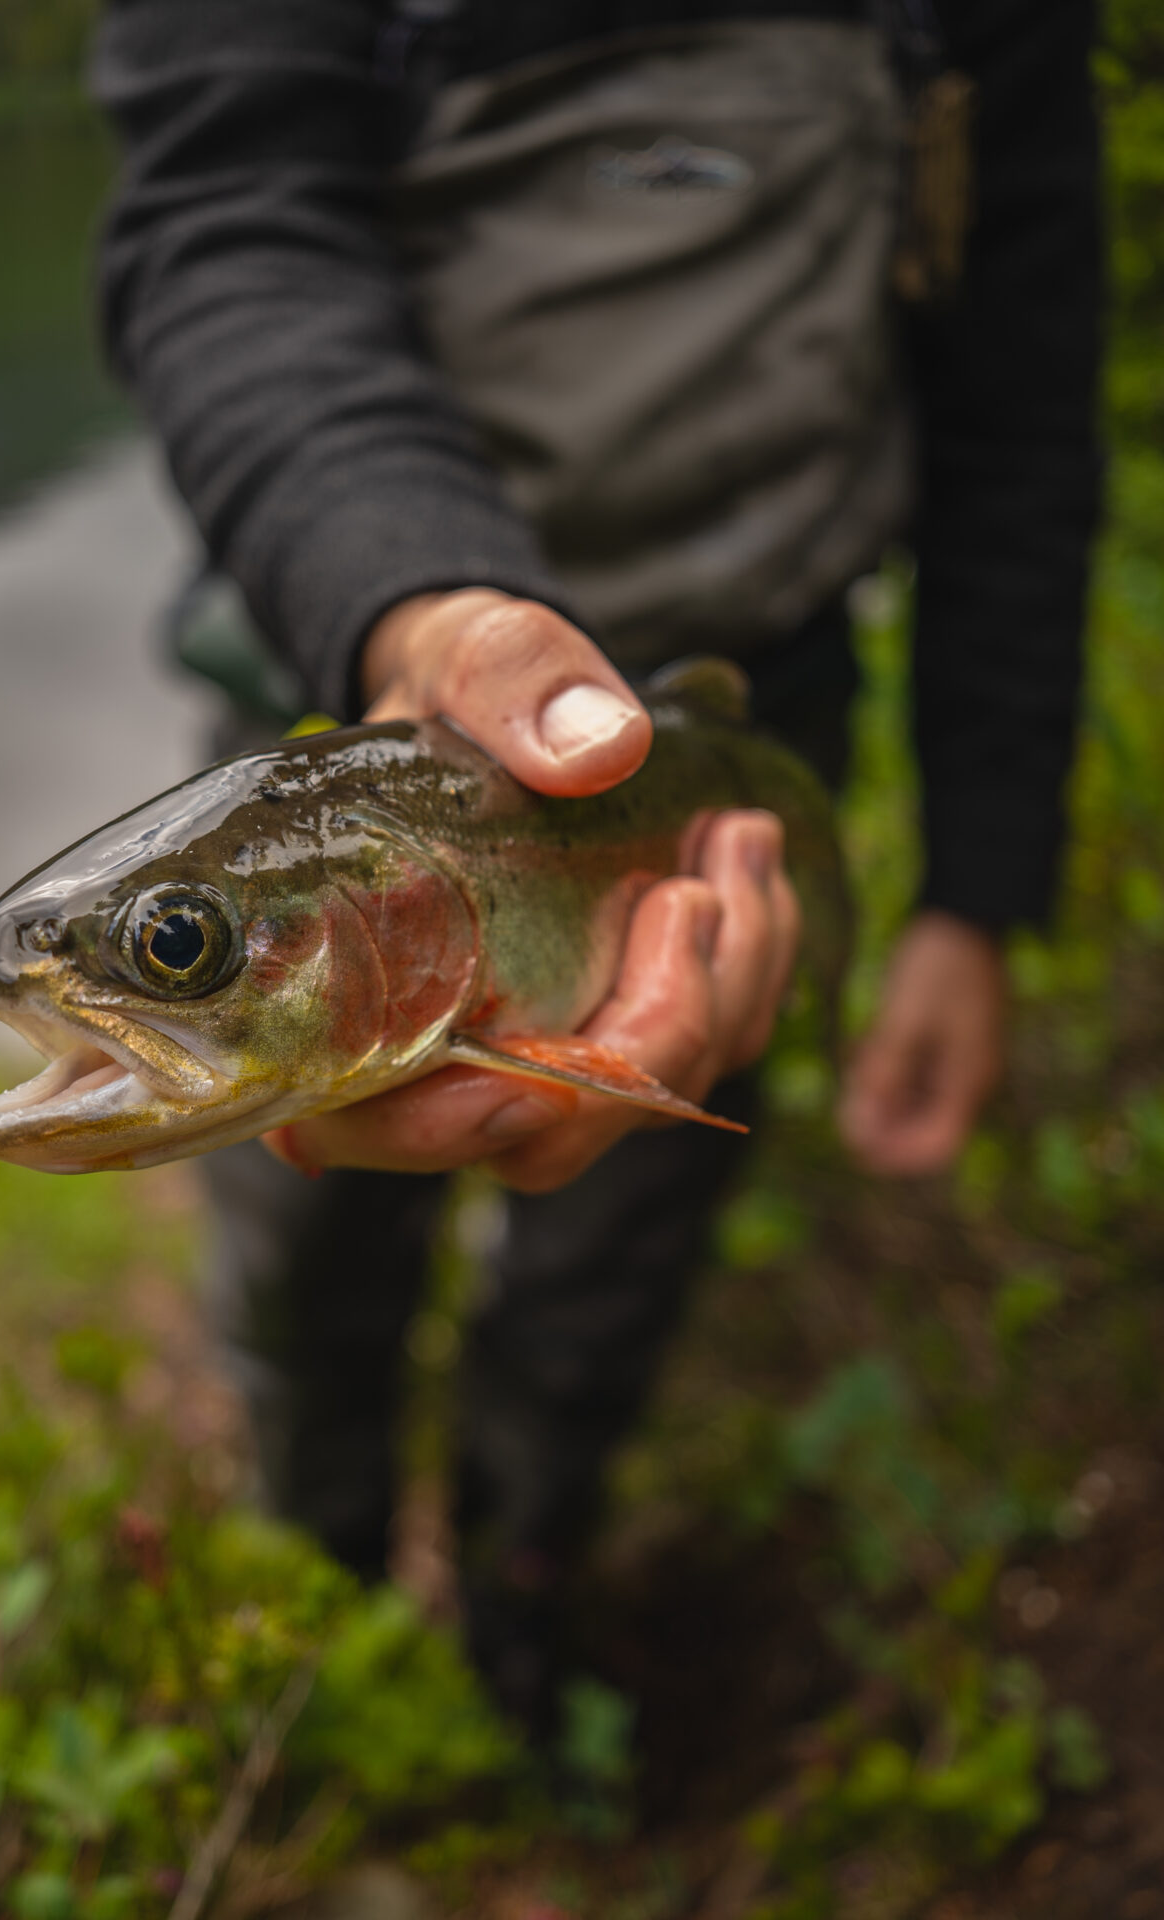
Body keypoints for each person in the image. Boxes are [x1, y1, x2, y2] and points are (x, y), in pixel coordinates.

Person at [89, 0, 1100, 1733]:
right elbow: (226, 226)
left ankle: (523, 1604)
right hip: (330, 688)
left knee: (612, 1253)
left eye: (159, 953)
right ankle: (316, 1619)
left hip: (735, 751)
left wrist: (971, 893)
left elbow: (1017, 412)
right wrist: (412, 597)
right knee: (304, 1261)